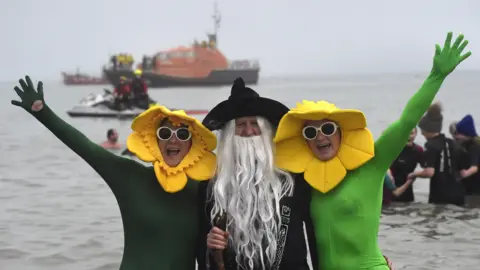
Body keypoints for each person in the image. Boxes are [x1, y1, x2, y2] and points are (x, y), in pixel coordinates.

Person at [272, 32, 471, 269]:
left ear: (341, 133)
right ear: (305, 142)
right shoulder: (306, 181)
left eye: (327, 128)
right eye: (310, 132)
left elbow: (405, 123)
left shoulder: (371, 165)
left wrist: (436, 77)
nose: (320, 136)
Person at [10, 75, 217, 270]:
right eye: (165, 133)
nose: (173, 140)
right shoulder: (130, 177)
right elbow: (87, 148)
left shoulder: (205, 188)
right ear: (155, 141)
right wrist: (42, 112)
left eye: (182, 134)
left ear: (192, 143)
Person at [199, 78, 318, 270]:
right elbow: (204, 255)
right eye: (240, 125)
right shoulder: (213, 188)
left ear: (266, 130)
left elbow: (317, 235)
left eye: (254, 123)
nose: (248, 131)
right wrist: (211, 248)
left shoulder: (294, 179)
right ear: (229, 135)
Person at [410, 102, 467, 206]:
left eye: (423, 130)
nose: (422, 133)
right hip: (459, 194)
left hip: (440, 195)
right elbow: (463, 171)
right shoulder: (453, 143)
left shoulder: (430, 145)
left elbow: (429, 172)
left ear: (429, 129)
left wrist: (414, 174)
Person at [389, 128, 424, 202]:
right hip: (391, 188)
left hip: (407, 188)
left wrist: (416, 174)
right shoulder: (394, 148)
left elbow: (427, 168)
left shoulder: (418, 150)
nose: (409, 136)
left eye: (412, 133)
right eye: (407, 133)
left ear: (416, 134)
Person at [454, 114, 480, 195]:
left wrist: (464, 174)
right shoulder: (465, 144)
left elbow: (474, 168)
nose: (456, 136)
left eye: (458, 133)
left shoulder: (474, 146)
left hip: (476, 188)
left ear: (466, 134)